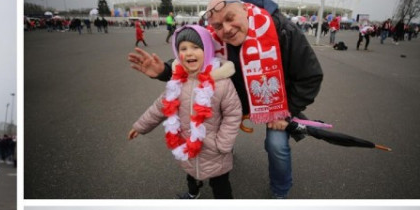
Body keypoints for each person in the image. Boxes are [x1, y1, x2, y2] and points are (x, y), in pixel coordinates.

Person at [128, 0, 324, 199]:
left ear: (245, 9)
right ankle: (221, 160)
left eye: (230, 19)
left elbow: (311, 76)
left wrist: (287, 111)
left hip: (276, 102)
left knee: (276, 146)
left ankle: (280, 191)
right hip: (229, 99)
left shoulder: (282, 28)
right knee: (215, 131)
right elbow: (192, 59)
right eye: (218, 25)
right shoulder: (213, 36)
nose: (227, 29)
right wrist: (163, 70)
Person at [129, 25, 242, 199]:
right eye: (183, 48)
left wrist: (223, 143)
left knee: (220, 184)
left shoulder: (222, 82)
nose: (189, 53)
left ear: (207, 49)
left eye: (196, 47)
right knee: (190, 173)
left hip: (214, 148)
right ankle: (192, 192)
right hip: (187, 144)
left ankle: (225, 207)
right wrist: (140, 126)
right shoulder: (177, 82)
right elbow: (160, 106)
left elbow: (233, 114)